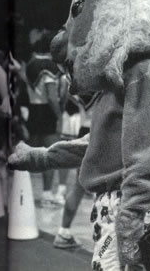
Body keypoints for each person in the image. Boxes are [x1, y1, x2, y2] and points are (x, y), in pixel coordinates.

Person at [8, 0, 150, 270]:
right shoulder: (135, 76)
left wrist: (131, 219)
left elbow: (145, 157)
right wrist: (42, 157)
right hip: (140, 205)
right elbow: (102, 145)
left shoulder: (143, 76)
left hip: (127, 206)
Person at [26, 30, 67, 207]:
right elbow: (51, 96)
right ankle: (47, 194)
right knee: (49, 155)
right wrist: (59, 115)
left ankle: (24, 193)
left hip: (32, 110)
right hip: (46, 112)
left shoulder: (30, 63)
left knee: (31, 155)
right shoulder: (49, 66)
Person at [54, 93, 98, 249]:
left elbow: (69, 102)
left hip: (83, 130)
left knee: (79, 185)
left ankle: (63, 232)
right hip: (102, 132)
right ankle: (108, 238)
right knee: (109, 187)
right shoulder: (108, 83)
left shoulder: (83, 84)